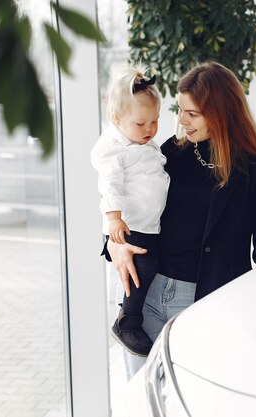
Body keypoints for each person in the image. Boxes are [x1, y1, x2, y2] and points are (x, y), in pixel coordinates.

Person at [108, 61, 256, 377]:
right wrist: (114, 246)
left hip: (207, 299)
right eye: (180, 111)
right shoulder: (172, 152)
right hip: (145, 293)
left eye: (191, 114)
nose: (181, 121)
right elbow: (128, 200)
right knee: (142, 397)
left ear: (221, 112)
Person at [90, 66, 170, 356]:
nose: (150, 129)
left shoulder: (143, 143)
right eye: (141, 123)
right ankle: (127, 321)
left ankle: (132, 317)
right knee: (140, 271)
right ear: (116, 119)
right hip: (128, 226)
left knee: (150, 268)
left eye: (155, 121)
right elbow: (109, 183)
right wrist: (114, 217)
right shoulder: (113, 148)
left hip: (148, 226)